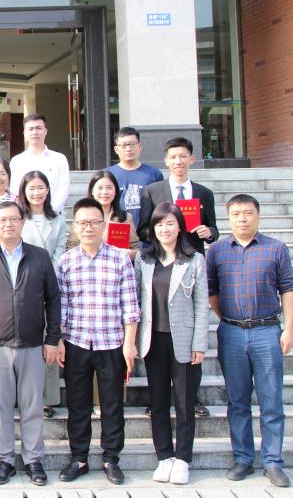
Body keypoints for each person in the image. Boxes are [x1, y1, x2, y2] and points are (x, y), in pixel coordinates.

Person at [0, 201, 61, 487]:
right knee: (2, 406)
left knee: (32, 406)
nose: (8, 224)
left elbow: (53, 299)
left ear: (23, 222)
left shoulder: (39, 257)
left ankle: (33, 460)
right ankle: (5, 460)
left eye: (14, 219)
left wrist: (52, 338)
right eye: (2, 220)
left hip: (33, 344)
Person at [208, 194, 293, 489]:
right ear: (228, 218)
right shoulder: (217, 251)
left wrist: (289, 329)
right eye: (236, 214)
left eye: (247, 213)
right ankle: (243, 458)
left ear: (257, 215)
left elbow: (288, 289)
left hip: (266, 331)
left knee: (271, 399)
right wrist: (228, 319)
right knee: (237, 400)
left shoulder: (276, 249)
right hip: (232, 332)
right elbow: (212, 291)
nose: (242, 218)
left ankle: (273, 461)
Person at [55, 197, 140, 486]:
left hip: (111, 343)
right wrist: (60, 340)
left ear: (104, 225)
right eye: (82, 223)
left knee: (112, 403)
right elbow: (62, 305)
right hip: (76, 342)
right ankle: (78, 458)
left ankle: (111, 458)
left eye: (94, 222)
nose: (88, 228)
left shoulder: (119, 259)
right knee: (77, 403)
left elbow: (130, 305)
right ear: (74, 227)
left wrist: (130, 343)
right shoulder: (66, 261)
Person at [138, 137, 219, 419]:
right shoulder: (153, 191)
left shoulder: (204, 193)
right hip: (161, 262)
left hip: (190, 265)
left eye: (183, 156)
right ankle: (157, 400)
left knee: (188, 337)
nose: (178, 161)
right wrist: (163, 234)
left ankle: (191, 398)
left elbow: (214, 228)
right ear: (166, 161)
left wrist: (209, 233)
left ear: (192, 159)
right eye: (173, 157)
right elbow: (143, 229)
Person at [135, 202, 208, 485]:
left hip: (184, 341)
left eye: (169, 223)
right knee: (158, 401)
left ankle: (183, 459)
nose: (164, 229)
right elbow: (137, 300)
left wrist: (199, 343)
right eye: (159, 224)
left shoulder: (194, 260)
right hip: (153, 340)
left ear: (180, 227)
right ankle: (164, 456)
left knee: (185, 402)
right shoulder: (144, 260)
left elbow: (201, 305)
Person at [16, 170, 67, 417]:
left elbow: (60, 251)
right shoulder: (17, 218)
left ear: (48, 190)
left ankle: (47, 398)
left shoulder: (58, 219)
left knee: (50, 339)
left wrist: (48, 274)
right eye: (31, 188)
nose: (36, 193)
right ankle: (22, 396)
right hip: (22, 285)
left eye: (40, 188)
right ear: (23, 192)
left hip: (50, 284)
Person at [67, 170, 140, 260]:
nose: (105, 192)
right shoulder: (82, 215)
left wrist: (130, 254)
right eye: (100, 188)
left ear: (115, 191)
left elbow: (136, 248)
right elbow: (71, 246)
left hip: (117, 265)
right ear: (92, 191)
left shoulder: (125, 218)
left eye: (109, 188)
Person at [9, 114, 70, 213]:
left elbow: (64, 188)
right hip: (26, 215)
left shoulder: (59, 159)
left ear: (46, 131)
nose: (35, 132)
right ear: (24, 132)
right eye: (30, 129)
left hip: (54, 214)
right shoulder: (17, 161)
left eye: (38, 128)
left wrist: (52, 211)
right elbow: (15, 191)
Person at [107, 127, 163, 229]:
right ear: (116, 149)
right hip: (116, 232)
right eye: (124, 145)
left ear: (139, 146)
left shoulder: (154, 174)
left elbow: (160, 207)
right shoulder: (107, 174)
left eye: (132, 144)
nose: (128, 149)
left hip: (147, 234)